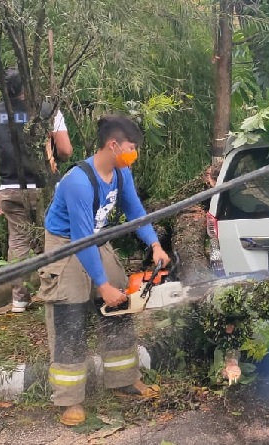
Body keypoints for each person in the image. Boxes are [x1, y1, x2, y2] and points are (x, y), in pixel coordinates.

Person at [39, 114, 170, 426]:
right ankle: (69, 400)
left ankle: (124, 379)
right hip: (66, 243)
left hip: (93, 238)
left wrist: (154, 245)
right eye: (131, 147)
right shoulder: (78, 183)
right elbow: (81, 238)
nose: (134, 153)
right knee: (69, 315)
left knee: (121, 303)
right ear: (113, 145)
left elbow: (135, 210)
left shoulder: (121, 173)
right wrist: (101, 284)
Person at [0, 68, 73, 312]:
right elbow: (65, 150)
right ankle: (57, 291)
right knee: (53, 237)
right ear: (28, 85)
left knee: (19, 243)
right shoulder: (46, 109)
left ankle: (20, 299)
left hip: (10, 188)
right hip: (44, 188)